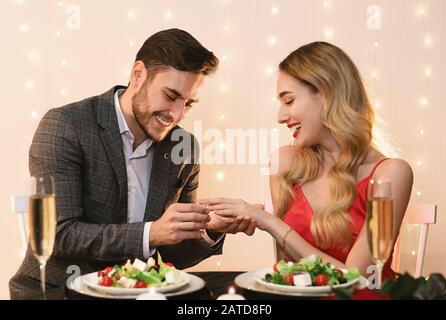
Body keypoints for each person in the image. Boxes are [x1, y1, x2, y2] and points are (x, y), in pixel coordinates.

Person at [10, 28, 256, 299]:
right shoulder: (65, 125)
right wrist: (151, 233)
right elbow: (59, 235)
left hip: (138, 292)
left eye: (188, 103)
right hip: (59, 290)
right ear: (138, 74)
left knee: (231, 295)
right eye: (171, 96)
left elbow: (175, 256)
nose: (177, 114)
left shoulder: (184, 148)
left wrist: (207, 228)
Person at [202, 42, 413, 280]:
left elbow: (359, 279)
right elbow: (286, 274)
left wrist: (271, 223)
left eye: (289, 101)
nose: (280, 117)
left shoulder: (392, 174)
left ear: (326, 94)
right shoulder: (285, 163)